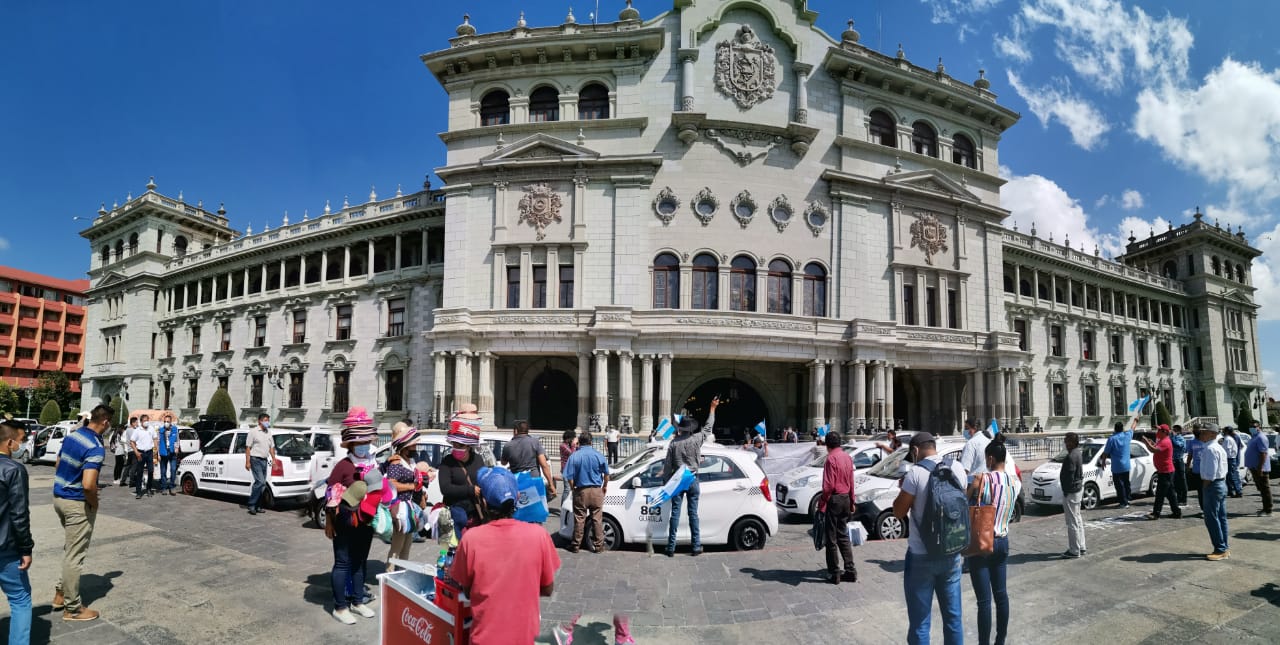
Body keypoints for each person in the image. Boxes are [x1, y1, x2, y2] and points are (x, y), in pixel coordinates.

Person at [452, 467, 560, 645]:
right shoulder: (539, 535)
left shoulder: (471, 539)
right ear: (518, 497)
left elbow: (467, 591)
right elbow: (547, 588)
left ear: (484, 502)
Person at [892, 432, 968, 645]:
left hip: (921, 555)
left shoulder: (915, 474)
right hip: (951, 552)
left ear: (915, 450)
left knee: (920, 623)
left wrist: (903, 489)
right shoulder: (957, 468)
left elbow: (898, 512)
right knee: (953, 619)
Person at [52, 403, 111, 622]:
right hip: (77, 503)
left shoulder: (73, 436)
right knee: (75, 555)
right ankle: (73, 608)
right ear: (105, 422)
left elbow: (58, 464)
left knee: (71, 548)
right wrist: (94, 503)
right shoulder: (95, 446)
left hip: (59, 497)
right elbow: (88, 484)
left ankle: (60, 594)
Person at [325, 407, 379, 625]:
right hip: (345, 523)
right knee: (342, 563)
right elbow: (330, 493)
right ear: (351, 444)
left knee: (360, 562)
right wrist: (330, 522)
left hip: (365, 523)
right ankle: (340, 607)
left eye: (366, 442)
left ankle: (357, 601)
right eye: (359, 443)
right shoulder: (343, 466)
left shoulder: (372, 464)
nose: (364, 446)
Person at [966, 434, 1020, 645]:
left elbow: (964, 500)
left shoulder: (982, 479)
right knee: (1001, 595)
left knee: (984, 601)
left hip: (982, 542)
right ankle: (1000, 640)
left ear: (990, 459)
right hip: (1002, 541)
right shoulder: (1014, 482)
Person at [662, 396, 718, 557]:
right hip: (693, 477)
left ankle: (671, 547)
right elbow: (708, 427)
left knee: (675, 513)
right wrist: (712, 408)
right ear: (691, 429)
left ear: (680, 429)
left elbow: (667, 466)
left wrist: (666, 482)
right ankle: (696, 546)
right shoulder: (696, 439)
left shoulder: (673, 443)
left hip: (678, 479)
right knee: (693, 513)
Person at [0, 419, 34, 643]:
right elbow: (19, 514)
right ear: (10, 442)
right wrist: (26, 548)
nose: (22, 445)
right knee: (20, 598)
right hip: (6, 548)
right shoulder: (14, 469)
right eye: (21, 440)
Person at [438, 406, 485, 540]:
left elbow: (484, 480)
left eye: (460, 445)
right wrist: (470, 490)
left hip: (475, 514)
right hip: (455, 515)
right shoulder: (447, 462)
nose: (456, 448)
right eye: (454, 444)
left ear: (469, 447)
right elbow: (445, 488)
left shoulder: (478, 459)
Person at [818, 431, 857, 585]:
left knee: (831, 538)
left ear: (827, 445)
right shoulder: (847, 457)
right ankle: (850, 570)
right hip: (846, 498)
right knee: (843, 536)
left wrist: (822, 502)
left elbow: (828, 486)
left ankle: (834, 573)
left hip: (834, 500)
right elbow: (852, 481)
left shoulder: (831, 459)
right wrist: (852, 501)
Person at [563, 432, 609, 553]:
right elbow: (606, 474)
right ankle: (599, 545)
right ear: (591, 442)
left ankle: (576, 545)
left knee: (579, 519)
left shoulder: (574, 456)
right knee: (597, 519)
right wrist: (605, 486)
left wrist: (573, 488)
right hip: (596, 490)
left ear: (579, 442)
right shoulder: (598, 455)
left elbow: (569, 476)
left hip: (581, 490)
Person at [501, 420, 556, 501]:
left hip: (517, 482)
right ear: (527, 431)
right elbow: (544, 465)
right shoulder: (535, 442)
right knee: (537, 505)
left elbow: (503, 462)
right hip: (534, 480)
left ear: (516, 431)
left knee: (520, 505)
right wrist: (551, 484)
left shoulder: (508, 445)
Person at [1198, 423, 1230, 560]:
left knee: (1211, 518)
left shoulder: (1210, 449)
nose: (1201, 434)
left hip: (1213, 485)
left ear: (1213, 434)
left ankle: (1220, 549)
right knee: (1221, 517)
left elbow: (1210, 474)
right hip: (1220, 483)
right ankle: (1224, 547)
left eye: (1204, 432)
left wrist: (1205, 486)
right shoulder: (1217, 447)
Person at [1142, 425, 1181, 520]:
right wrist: (1151, 443)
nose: (1157, 432)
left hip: (1166, 472)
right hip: (1165, 471)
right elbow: (1156, 447)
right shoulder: (1162, 440)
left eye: (1159, 430)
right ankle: (1176, 512)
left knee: (1160, 493)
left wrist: (1146, 442)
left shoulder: (1165, 441)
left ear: (1164, 432)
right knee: (1170, 493)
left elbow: (1153, 450)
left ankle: (1156, 513)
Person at [1059, 432, 1086, 558]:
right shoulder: (1077, 453)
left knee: (1072, 522)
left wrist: (1066, 491)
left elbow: (1069, 477)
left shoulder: (1071, 456)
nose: (1065, 442)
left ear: (1072, 442)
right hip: (1077, 489)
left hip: (1071, 492)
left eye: (1067, 440)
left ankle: (1074, 550)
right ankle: (1081, 546)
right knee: (1077, 519)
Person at [1098, 420, 1135, 508]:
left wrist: (1103, 462)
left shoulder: (1112, 439)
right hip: (1126, 466)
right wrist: (1135, 420)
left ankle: (1123, 503)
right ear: (1122, 429)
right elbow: (1133, 428)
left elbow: (1106, 453)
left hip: (1117, 467)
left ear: (1114, 429)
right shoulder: (1127, 435)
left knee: (1119, 485)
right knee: (1126, 483)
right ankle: (1128, 499)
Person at [245, 414, 276, 515]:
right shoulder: (253, 432)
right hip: (255, 459)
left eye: (268, 420)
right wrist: (247, 462)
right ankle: (251, 504)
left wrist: (274, 459)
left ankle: (258, 506)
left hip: (264, 460)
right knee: (260, 481)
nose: (267, 422)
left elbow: (271, 447)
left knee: (262, 485)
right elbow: (248, 447)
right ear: (260, 421)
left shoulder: (268, 432)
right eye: (265, 420)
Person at [1243, 423, 1273, 516]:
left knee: (1265, 488)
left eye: (1254, 426)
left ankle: (1268, 510)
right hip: (1254, 467)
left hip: (1259, 468)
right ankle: (1265, 507)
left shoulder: (1261, 437)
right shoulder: (1254, 437)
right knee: (1261, 488)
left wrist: (1260, 467)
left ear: (1259, 427)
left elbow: (1263, 453)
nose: (1252, 428)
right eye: (1250, 426)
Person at [127, 416, 156, 500]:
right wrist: (136, 452)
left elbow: (155, 439)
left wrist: (156, 452)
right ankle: (138, 491)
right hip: (140, 453)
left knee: (151, 471)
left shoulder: (151, 429)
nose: (146, 422)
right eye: (144, 420)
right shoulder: (137, 430)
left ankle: (149, 489)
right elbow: (132, 442)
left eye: (147, 420)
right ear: (141, 422)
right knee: (139, 472)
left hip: (150, 452)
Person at [156, 414, 180, 496]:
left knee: (173, 470)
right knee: (163, 471)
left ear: (171, 422)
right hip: (163, 453)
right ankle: (164, 487)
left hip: (172, 453)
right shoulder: (160, 430)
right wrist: (158, 454)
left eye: (168, 421)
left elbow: (177, 440)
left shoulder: (175, 429)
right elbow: (157, 442)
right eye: (165, 421)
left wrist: (177, 448)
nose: (166, 423)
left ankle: (172, 486)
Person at [1186, 425, 1207, 518]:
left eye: (1197, 429)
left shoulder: (1206, 441)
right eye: (1194, 429)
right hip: (1197, 470)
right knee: (1200, 492)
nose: (1196, 431)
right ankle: (1204, 509)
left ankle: (1209, 509)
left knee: (1207, 491)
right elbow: (1190, 454)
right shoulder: (1192, 442)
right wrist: (1187, 465)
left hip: (1206, 470)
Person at [557, 430, 577, 510]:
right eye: (572, 438)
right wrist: (573, 445)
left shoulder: (568, 445)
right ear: (569, 438)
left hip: (571, 468)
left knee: (571, 489)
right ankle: (563, 507)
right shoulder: (563, 446)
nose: (573, 439)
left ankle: (570, 506)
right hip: (566, 469)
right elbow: (572, 454)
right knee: (567, 489)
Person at [1222, 426, 1244, 498]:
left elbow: (1227, 450)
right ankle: (1231, 491)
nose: (1222, 432)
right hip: (1230, 458)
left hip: (1230, 459)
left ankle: (1238, 491)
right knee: (1229, 476)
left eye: (1224, 431)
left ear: (1226, 432)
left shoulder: (1228, 439)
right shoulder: (1229, 438)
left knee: (1232, 476)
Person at [1170, 424, 1188, 505]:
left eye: (1174, 430)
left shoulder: (1181, 438)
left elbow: (1177, 445)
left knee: (1182, 480)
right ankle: (1178, 498)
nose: (1173, 431)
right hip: (1173, 460)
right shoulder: (1172, 438)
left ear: (1178, 431)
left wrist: (1173, 437)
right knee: (1176, 480)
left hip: (1179, 461)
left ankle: (1183, 499)